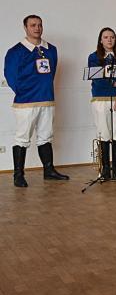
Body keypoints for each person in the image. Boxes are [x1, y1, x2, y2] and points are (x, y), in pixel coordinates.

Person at [4, 14, 70, 187]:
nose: (37, 28)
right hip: (26, 102)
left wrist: (43, 88)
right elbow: (11, 76)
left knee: (45, 136)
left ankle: (49, 170)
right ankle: (18, 175)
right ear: (25, 28)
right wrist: (25, 91)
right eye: (33, 25)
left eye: (40, 25)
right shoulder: (15, 51)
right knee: (22, 138)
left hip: (47, 99)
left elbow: (51, 72)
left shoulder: (51, 49)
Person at [88, 27, 116, 180]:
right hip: (100, 100)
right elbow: (98, 82)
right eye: (106, 37)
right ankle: (105, 169)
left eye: (112, 37)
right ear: (101, 40)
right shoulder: (94, 57)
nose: (109, 40)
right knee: (104, 132)